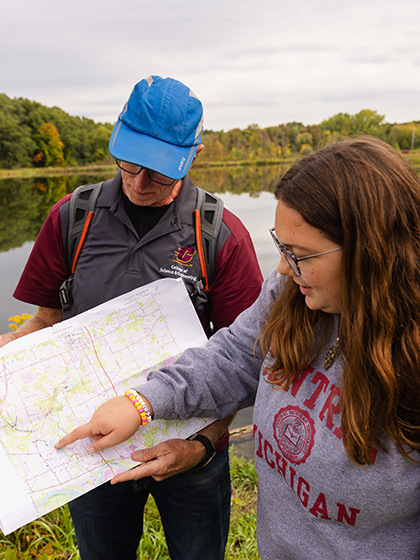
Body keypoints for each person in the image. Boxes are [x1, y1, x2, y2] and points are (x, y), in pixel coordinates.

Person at [57, 135, 420, 559]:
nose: (283, 266)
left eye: (299, 254)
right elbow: (231, 356)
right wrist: (143, 402)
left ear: (370, 251)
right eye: (280, 245)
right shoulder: (290, 293)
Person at [0, 75, 263, 560]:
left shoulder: (221, 236)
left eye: (161, 173)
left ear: (194, 156)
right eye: (130, 163)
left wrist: (201, 447)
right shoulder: (71, 216)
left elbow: (245, 360)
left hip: (191, 445)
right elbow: (43, 322)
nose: (140, 183)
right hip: (95, 448)